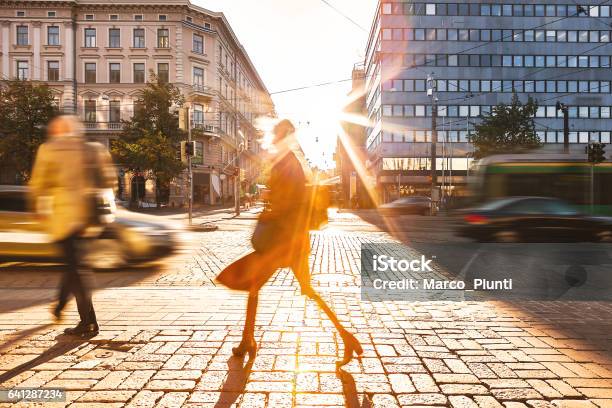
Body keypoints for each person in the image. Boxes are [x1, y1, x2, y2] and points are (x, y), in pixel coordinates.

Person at [216, 119, 363, 367]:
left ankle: (249, 340)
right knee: (267, 287)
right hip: (289, 240)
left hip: (284, 241)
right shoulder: (288, 162)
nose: (272, 138)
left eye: (276, 134)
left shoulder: (287, 163)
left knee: (258, 285)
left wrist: (269, 198)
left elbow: (289, 202)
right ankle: (248, 339)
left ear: (284, 136)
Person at [29, 115, 117, 337]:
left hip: (64, 217)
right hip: (90, 218)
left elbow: (38, 184)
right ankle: (77, 315)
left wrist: (38, 209)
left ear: (57, 131)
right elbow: (110, 182)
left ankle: (81, 318)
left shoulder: (49, 150)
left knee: (75, 268)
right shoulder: (95, 149)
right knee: (76, 266)